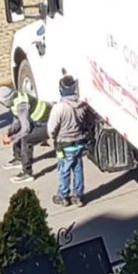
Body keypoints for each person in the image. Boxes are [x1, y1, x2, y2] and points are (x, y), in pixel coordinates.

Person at [47, 76, 91, 207]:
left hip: (64, 146)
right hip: (79, 143)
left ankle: (63, 196)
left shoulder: (59, 108)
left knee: (64, 170)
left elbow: (51, 128)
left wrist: (53, 140)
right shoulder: (82, 105)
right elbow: (90, 122)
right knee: (78, 169)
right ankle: (78, 196)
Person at [0, 85, 51, 185]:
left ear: (6, 101)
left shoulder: (21, 106)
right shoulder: (15, 98)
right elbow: (17, 121)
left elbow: (26, 129)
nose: (2, 104)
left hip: (50, 124)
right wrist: (9, 132)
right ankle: (19, 158)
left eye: (2, 102)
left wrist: (11, 139)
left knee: (26, 139)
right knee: (17, 133)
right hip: (39, 122)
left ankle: (27, 173)